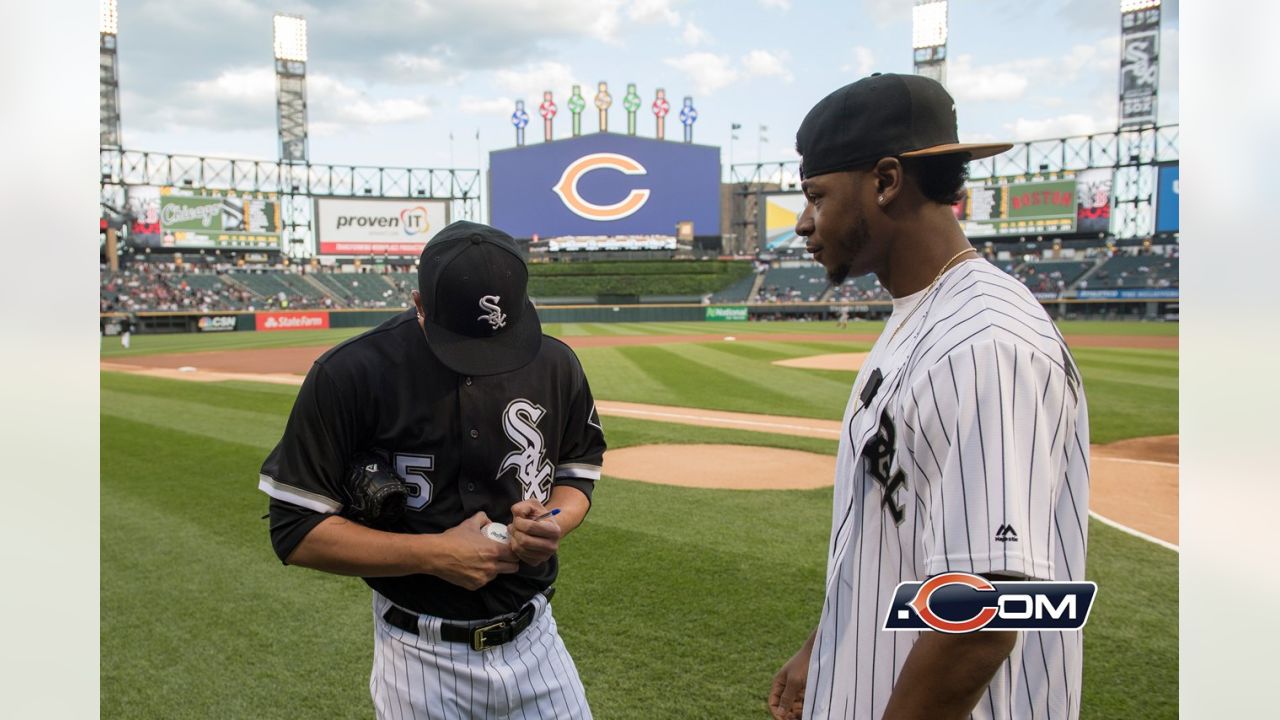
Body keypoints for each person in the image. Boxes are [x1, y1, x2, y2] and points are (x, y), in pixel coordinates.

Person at [768, 73, 1090, 720]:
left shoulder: (984, 343)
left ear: (886, 182)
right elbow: (895, 529)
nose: (804, 224)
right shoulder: (923, 313)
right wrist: (826, 646)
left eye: (816, 196)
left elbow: (987, 613)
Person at [259, 221, 606, 719]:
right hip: (418, 658)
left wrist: (553, 521)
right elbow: (295, 531)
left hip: (538, 644)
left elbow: (577, 473)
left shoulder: (555, 362)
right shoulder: (350, 374)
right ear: (418, 304)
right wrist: (434, 554)